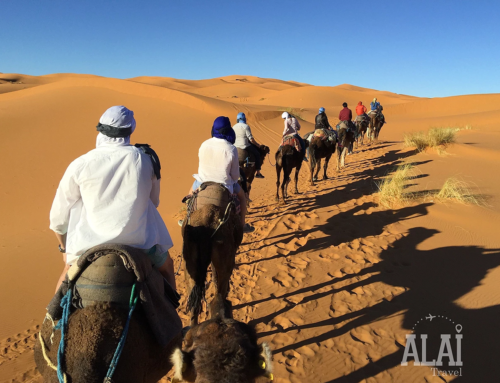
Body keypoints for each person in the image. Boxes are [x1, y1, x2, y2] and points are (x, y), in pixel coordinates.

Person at [50, 106, 176, 292]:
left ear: (100, 129)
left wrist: (63, 248)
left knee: (64, 283)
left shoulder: (81, 164)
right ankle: (172, 316)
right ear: (131, 129)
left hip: (88, 247)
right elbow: (154, 202)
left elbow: (58, 218)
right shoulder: (146, 159)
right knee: (168, 267)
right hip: (141, 245)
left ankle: (53, 317)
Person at [188, 116, 254, 233]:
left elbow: (201, 166)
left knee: (190, 194)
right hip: (225, 185)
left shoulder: (204, 144)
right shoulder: (231, 149)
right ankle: (242, 225)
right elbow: (234, 176)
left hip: (202, 181)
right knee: (242, 198)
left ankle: (186, 218)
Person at [233, 112, 265, 179]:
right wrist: (257, 145)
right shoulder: (246, 126)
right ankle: (258, 172)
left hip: (235, 146)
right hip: (245, 146)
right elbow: (251, 139)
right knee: (257, 154)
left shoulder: (234, 127)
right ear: (244, 119)